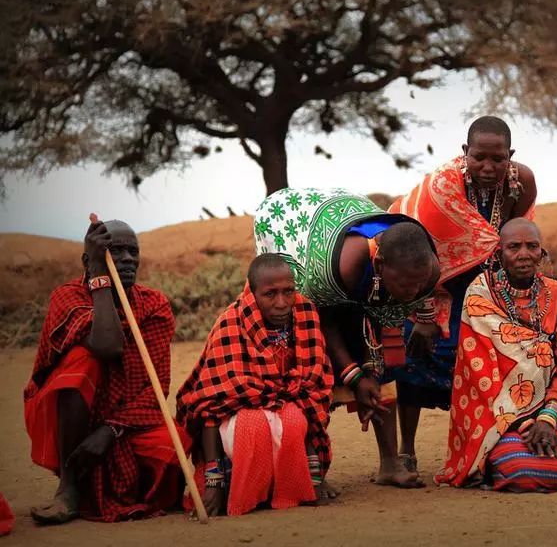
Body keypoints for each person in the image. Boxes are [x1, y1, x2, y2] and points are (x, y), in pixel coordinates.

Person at [254, 187, 440, 488]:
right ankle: (310, 470)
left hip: (354, 239)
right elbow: (323, 323)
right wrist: (354, 377)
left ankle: (390, 463)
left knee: (385, 367)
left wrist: (371, 371)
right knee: (314, 366)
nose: (413, 292)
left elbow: (382, 327)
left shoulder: (424, 270)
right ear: (380, 266)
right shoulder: (336, 269)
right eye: (406, 284)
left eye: (420, 284)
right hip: (294, 225)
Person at [388, 115, 537, 476]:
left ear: (510, 155)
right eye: (479, 157)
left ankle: (478, 449)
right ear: (464, 152)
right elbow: (417, 251)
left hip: (482, 282)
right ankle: (405, 451)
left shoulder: (521, 183)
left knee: (483, 365)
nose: (488, 167)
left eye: (498, 159)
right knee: (415, 358)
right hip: (426, 280)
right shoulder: (444, 184)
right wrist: (424, 315)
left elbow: (509, 237)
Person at [24, 217, 188, 524]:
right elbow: (107, 344)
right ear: (90, 260)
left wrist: (111, 430)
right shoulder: (68, 297)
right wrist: (100, 276)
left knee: (173, 447)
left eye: (133, 251)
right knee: (80, 363)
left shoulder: (153, 304)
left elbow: (156, 388)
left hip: (126, 421)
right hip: (71, 415)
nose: (127, 259)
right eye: (116, 251)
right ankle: (69, 487)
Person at [435, 219, 557, 491]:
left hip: (552, 403)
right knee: (519, 467)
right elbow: (481, 373)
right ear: (498, 255)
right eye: (513, 247)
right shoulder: (480, 295)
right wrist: (524, 420)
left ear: (542, 253)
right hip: (498, 411)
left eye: (532, 246)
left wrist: (548, 417)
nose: (523, 254)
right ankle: (493, 460)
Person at [176, 254, 333, 515]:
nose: (282, 303)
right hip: (235, 418)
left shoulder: (304, 315)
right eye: (270, 294)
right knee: (254, 425)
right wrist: (213, 484)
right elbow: (209, 405)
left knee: (294, 419)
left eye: (288, 292)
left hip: (289, 405)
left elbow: (313, 391)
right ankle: (237, 489)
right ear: (253, 292)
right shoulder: (230, 324)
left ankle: (293, 485)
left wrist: (314, 476)